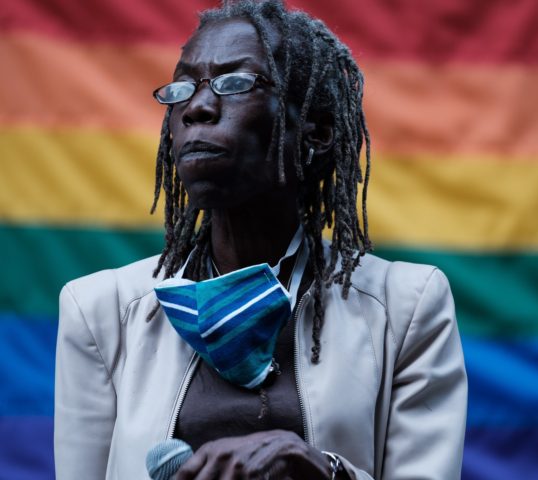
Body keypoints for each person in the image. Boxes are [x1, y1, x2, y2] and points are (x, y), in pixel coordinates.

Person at [54, 1, 467, 479]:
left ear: (315, 134)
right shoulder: (100, 311)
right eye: (183, 88)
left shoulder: (405, 307)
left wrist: (326, 472)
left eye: (235, 83)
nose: (198, 107)